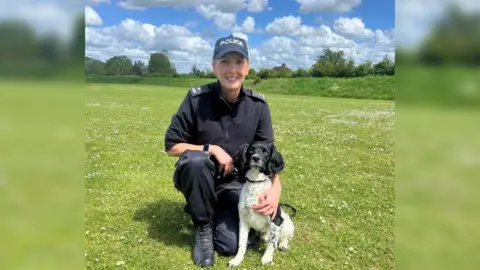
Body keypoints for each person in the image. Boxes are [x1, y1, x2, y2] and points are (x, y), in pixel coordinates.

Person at [164, 34, 283, 267]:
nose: (232, 69)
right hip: (200, 176)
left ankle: (215, 211)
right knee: (196, 161)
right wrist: (211, 148)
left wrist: (276, 187)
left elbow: (267, 151)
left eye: (239, 62)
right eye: (225, 61)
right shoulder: (196, 98)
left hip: (237, 185)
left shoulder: (258, 105)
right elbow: (171, 146)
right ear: (214, 66)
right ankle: (203, 225)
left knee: (229, 246)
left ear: (247, 67)